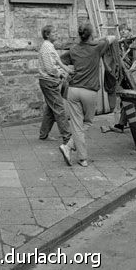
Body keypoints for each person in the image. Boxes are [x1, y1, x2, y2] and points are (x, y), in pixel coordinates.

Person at [60, 22, 116, 167]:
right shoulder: (97, 47)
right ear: (91, 35)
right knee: (88, 122)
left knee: (77, 124)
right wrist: (99, 39)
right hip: (89, 91)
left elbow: (60, 60)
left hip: (73, 90)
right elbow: (113, 37)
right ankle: (76, 153)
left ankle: (75, 152)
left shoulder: (73, 49)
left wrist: (67, 71)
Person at [38, 25, 73, 146]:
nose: (57, 34)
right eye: (54, 32)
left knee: (50, 109)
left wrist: (66, 70)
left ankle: (43, 134)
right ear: (47, 35)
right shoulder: (47, 47)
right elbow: (50, 68)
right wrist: (61, 74)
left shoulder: (49, 46)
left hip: (48, 81)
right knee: (59, 110)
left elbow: (57, 62)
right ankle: (67, 138)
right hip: (49, 81)